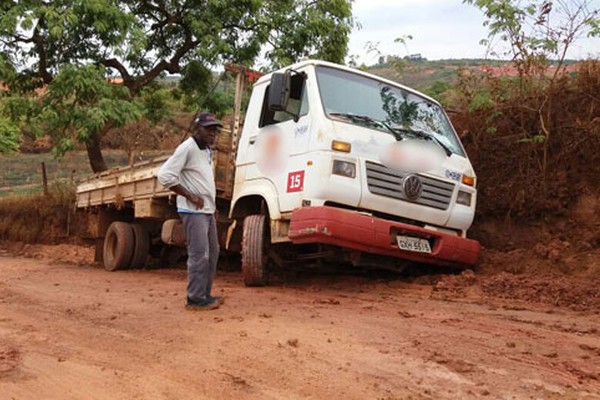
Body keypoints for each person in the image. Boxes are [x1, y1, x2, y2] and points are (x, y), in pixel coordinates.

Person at [157, 112, 223, 310]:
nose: (213, 133)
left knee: (213, 252)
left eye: (215, 130)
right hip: (193, 211)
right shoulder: (187, 148)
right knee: (199, 254)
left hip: (207, 211)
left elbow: (203, 180)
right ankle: (194, 299)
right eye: (208, 129)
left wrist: (213, 207)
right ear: (197, 129)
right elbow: (165, 176)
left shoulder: (206, 150)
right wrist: (190, 196)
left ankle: (204, 294)